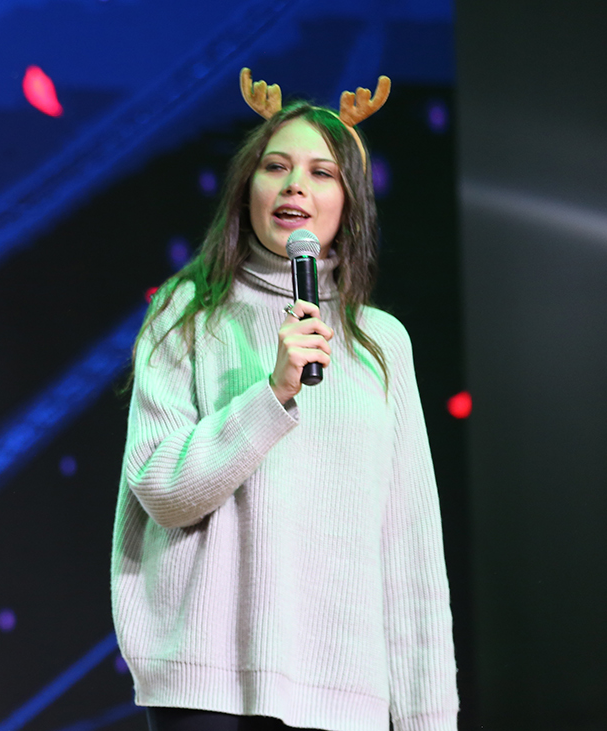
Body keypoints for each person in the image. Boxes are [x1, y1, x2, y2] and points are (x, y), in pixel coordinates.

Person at [111, 70, 458, 731]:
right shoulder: (187, 313)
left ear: (349, 202)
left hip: (340, 690)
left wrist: (428, 719)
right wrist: (272, 393)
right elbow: (160, 489)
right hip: (206, 686)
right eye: (276, 166)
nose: (295, 183)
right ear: (247, 190)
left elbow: (410, 549)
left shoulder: (382, 342)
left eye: (321, 172)